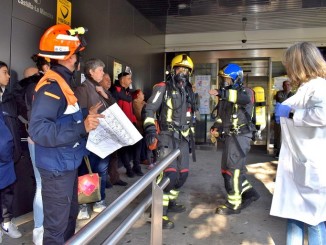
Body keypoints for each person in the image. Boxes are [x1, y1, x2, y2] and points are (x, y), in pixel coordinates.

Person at [28, 24, 103, 244]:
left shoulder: (62, 83)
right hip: (56, 169)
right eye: (78, 53)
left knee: (69, 220)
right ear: (69, 57)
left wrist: (84, 114)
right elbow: (39, 130)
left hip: (66, 164)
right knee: (57, 229)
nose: (79, 58)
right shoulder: (52, 86)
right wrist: (82, 127)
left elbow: (61, 116)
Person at [270, 42, 326, 245]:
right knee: (294, 216)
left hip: (312, 166)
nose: (287, 68)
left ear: (299, 64)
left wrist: (291, 113)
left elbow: (322, 114)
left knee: (314, 220)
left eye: (289, 64)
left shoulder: (320, 86)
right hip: (298, 163)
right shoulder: (306, 87)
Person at [143, 54, 197, 229]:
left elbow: (190, 116)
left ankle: (170, 202)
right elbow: (149, 109)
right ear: (172, 70)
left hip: (183, 138)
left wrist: (190, 137)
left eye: (186, 70)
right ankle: (158, 213)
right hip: (166, 136)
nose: (182, 72)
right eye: (179, 68)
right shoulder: (162, 87)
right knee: (168, 175)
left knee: (183, 175)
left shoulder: (189, 91)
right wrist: (151, 129)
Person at [209, 63, 260, 215]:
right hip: (230, 136)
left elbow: (241, 98)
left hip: (241, 136)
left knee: (233, 171)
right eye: (223, 79)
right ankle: (250, 193)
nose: (225, 82)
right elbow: (221, 116)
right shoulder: (226, 95)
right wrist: (216, 127)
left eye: (227, 80)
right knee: (226, 170)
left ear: (236, 79)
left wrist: (221, 92)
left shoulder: (247, 92)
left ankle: (234, 204)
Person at [74, 58, 113, 219]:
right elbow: (79, 113)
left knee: (101, 170)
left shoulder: (99, 89)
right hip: (90, 138)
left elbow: (113, 107)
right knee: (85, 171)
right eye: (100, 71)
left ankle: (99, 200)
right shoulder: (83, 89)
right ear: (91, 72)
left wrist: (105, 95)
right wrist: (88, 114)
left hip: (103, 138)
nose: (103, 74)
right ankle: (83, 204)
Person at [18, 55, 50, 245]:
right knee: (45, 183)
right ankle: (41, 226)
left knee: (40, 183)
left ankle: (39, 227)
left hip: (32, 140)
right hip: (43, 140)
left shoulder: (20, 92)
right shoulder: (40, 89)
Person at [0, 61, 22, 242]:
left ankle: (6, 223)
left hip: (8, 156)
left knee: (8, 190)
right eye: (5, 72)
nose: (8, 76)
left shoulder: (9, 98)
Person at [111, 72, 143, 177]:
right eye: (129, 78)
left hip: (131, 123)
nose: (131, 80)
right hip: (121, 125)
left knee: (138, 143)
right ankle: (129, 169)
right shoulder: (115, 90)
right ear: (122, 79)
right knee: (123, 148)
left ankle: (136, 166)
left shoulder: (127, 92)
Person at [98, 73, 127, 187]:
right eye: (106, 79)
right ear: (99, 81)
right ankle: (104, 180)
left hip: (112, 128)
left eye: (110, 79)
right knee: (103, 158)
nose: (109, 81)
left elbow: (115, 106)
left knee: (114, 155)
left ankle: (114, 178)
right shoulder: (96, 94)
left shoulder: (109, 93)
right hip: (102, 129)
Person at [273, 80, 294, 158]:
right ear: (283, 86)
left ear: (291, 86)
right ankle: (278, 151)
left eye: (289, 85)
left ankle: (287, 152)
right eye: (285, 85)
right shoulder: (279, 93)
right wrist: (289, 102)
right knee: (279, 135)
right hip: (280, 117)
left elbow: (293, 103)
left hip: (289, 117)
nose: (287, 86)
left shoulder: (293, 94)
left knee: (288, 135)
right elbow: (281, 100)